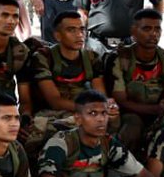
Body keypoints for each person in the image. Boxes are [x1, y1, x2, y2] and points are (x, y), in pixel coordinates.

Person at [24, 11, 107, 158]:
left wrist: (101, 108)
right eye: (71, 30)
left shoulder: (91, 58)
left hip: (81, 112)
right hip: (51, 113)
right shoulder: (44, 57)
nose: (79, 35)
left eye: (81, 29)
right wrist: (90, 109)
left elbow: (101, 95)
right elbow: (55, 101)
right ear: (58, 35)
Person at [108, 8, 164, 155]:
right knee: (132, 127)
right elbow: (121, 101)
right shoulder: (120, 58)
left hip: (159, 114)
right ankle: (125, 166)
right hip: (129, 113)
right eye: (147, 29)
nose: (153, 34)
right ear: (133, 32)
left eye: (157, 29)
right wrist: (154, 109)